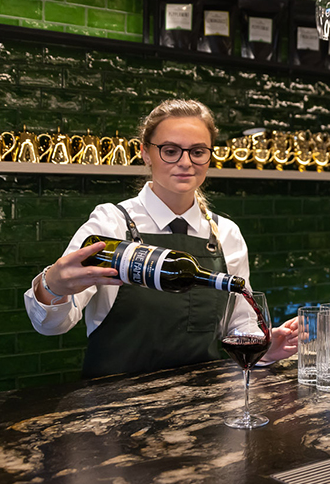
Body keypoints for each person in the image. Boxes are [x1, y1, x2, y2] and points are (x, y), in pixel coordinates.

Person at [24, 99, 298, 378]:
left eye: (198, 152)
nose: (185, 162)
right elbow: (51, 326)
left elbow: (238, 323)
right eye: (170, 151)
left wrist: (265, 347)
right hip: (114, 407)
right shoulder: (111, 223)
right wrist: (53, 286)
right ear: (145, 153)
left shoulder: (225, 234)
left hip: (200, 406)